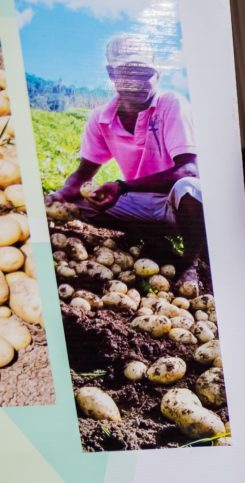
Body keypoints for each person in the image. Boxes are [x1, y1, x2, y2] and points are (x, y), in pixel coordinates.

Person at [50, 33, 207, 294]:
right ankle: (155, 241)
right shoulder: (101, 118)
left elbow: (188, 169)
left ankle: (189, 263)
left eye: (144, 72)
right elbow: (82, 174)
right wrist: (58, 197)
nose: (137, 81)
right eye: (128, 72)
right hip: (138, 201)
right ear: (111, 73)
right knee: (76, 202)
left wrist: (122, 186)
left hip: (176, 206)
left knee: (190, 187)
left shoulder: (171, 104)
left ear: (156, 74)